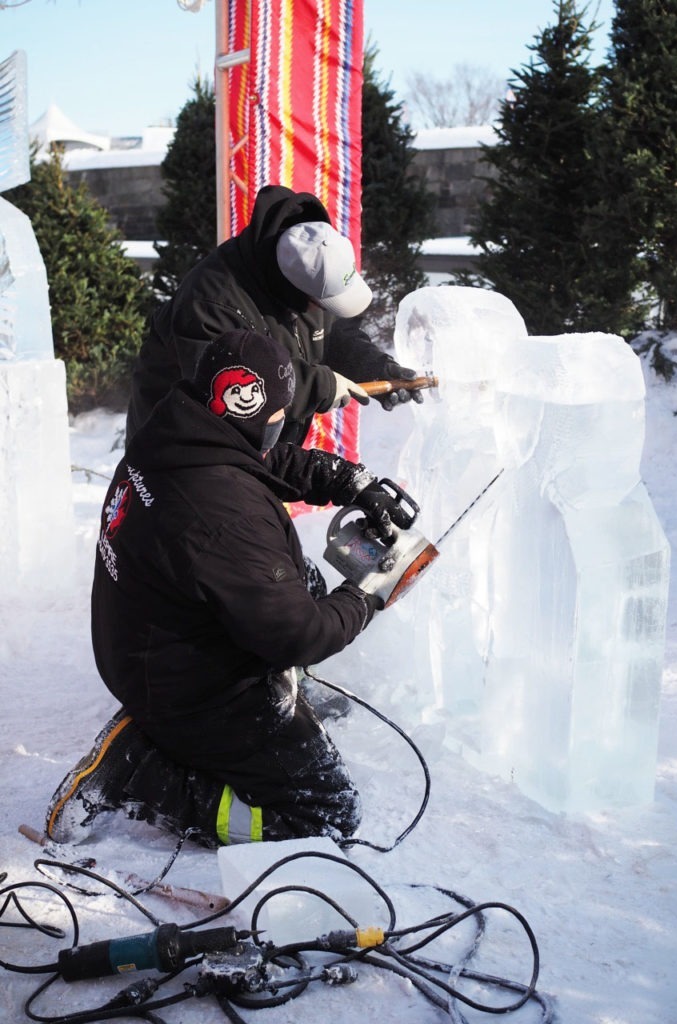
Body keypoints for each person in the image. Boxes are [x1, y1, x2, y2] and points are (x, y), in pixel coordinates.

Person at [45, 329, 418, 847]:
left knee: (300, 580)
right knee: (326, 815)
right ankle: (146, 774)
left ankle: (269, 699)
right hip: (187, 689)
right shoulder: (224, 517)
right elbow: (300, 635)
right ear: (247, 411)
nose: (282, 424)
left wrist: (350, 482)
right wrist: (367, 591)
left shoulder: (176, 433)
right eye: (278, 415)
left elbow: (262, 462)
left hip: (141, 643)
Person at [126, 183, 422, 444]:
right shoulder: (211, 303)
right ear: (293, 291)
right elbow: (235, 388)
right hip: (181, 451)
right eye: (320, 303)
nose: (322, 311)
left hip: (252, 448)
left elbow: (332, 335)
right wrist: (319, 386)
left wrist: (374, 368)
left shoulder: (307, 267)